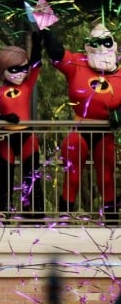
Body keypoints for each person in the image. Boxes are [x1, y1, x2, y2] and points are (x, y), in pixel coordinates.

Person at [43, 21, 121, 221]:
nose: (101, 47)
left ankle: (111, 216)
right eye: (95, 42)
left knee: (106, 175)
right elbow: (56, 51)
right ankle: (65, 214)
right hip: (80, 127)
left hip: (106, 131)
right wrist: (45, 22)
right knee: (73, 172)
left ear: (114, 44)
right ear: (88, 46)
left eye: (106, 41)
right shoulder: (78, 63)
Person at [0, 33, 44, 217]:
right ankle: (4, 215)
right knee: (6, 179)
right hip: (6, 137)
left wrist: (37, 42)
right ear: (2, 70)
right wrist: (6, 118)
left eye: (23, 69)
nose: (20, 73)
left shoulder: (27, 85)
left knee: (32, 177)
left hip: (27, 136)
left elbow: (36, 63)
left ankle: (34, 214)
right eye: (13, 70)